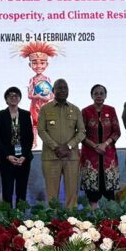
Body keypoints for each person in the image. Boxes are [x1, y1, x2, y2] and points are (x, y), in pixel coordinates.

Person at [38, 79, 86, 209]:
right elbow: (41, 130)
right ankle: (52, 219)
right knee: (51, 195)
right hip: (51, 157)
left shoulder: (75, 109)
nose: (62, 90)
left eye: (65, 88)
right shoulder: (45, 109)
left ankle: (71, 219)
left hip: (71, 157)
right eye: (59, 88)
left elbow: (82, 132)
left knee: (72, 194)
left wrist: (68, 146)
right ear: (53, 91)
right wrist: (55, 147)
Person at [80, 84, 122, 208]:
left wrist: (105, 144)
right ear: (91, 96)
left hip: (108, 156)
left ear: (105, 95)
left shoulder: (111, 110)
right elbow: (81, 134)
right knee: (92, 194)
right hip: (90, 157)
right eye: (96, 93)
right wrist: (95, 146)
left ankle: (110, 218)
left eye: (101, 93)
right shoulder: (85, 111)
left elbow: (117, 132)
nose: (99, 96)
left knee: (109, 194)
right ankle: (94, 216)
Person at [0, 87, 34, 207]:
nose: (13, 97)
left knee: (22, 191)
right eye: (10, 95)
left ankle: (20, 217)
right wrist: (7, 155)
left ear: (20, 98)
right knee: (7, 191)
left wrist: (24, 156)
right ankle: (8, 217)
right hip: (6, 159)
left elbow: (30, 137)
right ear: (6, 99)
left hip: (23, 159)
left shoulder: (26, 115)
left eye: (16, 95)